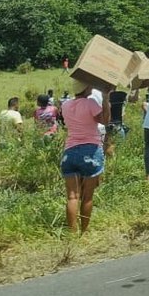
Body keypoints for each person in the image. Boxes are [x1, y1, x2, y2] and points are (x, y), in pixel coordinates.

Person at [60, 79, 110, 233]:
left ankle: (72, 232)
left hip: (69, 152)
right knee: (87, 196)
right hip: (90, 152)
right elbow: (105, 121)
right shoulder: (90, 104)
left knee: (72, 197)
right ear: (87, 87)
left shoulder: (65, 105)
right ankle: (84, 231)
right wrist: (106, 98)